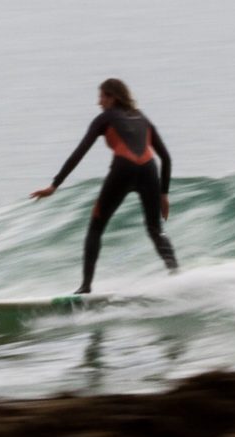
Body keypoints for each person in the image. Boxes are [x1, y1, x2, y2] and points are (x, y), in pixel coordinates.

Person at [29, 77, 177, 289]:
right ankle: (176, 274)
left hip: (123, 170)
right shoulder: (142, 118)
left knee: (96, 227)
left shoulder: (105, 118)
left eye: (101, 97)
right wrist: (164, 194)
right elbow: (166, 157)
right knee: (155, 229)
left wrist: (54, 185)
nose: (99, 102)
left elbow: (79, 153)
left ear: (112, 97)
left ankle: (86, 287)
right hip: (148, 171)